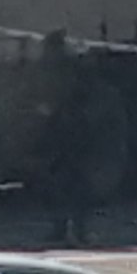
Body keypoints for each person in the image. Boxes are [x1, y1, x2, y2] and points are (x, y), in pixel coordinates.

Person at [35, 30, 97, 247]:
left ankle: (66, 228)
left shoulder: (56, 71)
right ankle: (76, 229)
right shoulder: (74, 70)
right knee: (73, 185)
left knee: (63, 185)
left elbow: (52, 101)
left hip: (64, 134)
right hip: (74, 134)